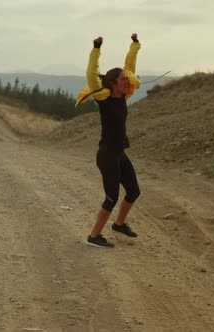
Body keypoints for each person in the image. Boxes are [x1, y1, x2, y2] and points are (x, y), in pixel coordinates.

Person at [76, 33, 142, 248]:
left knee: (133, 191)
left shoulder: (123, 96)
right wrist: (96, 48)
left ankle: (119, 224)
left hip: (119, 153)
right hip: (106, 155)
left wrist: (135, 45)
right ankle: (94, 236)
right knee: (111, 198)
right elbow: (91, 74)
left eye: (126, 79)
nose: (128, 81)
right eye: (123, 79)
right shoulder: (104, 99)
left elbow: (130, 67)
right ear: (112, 83)